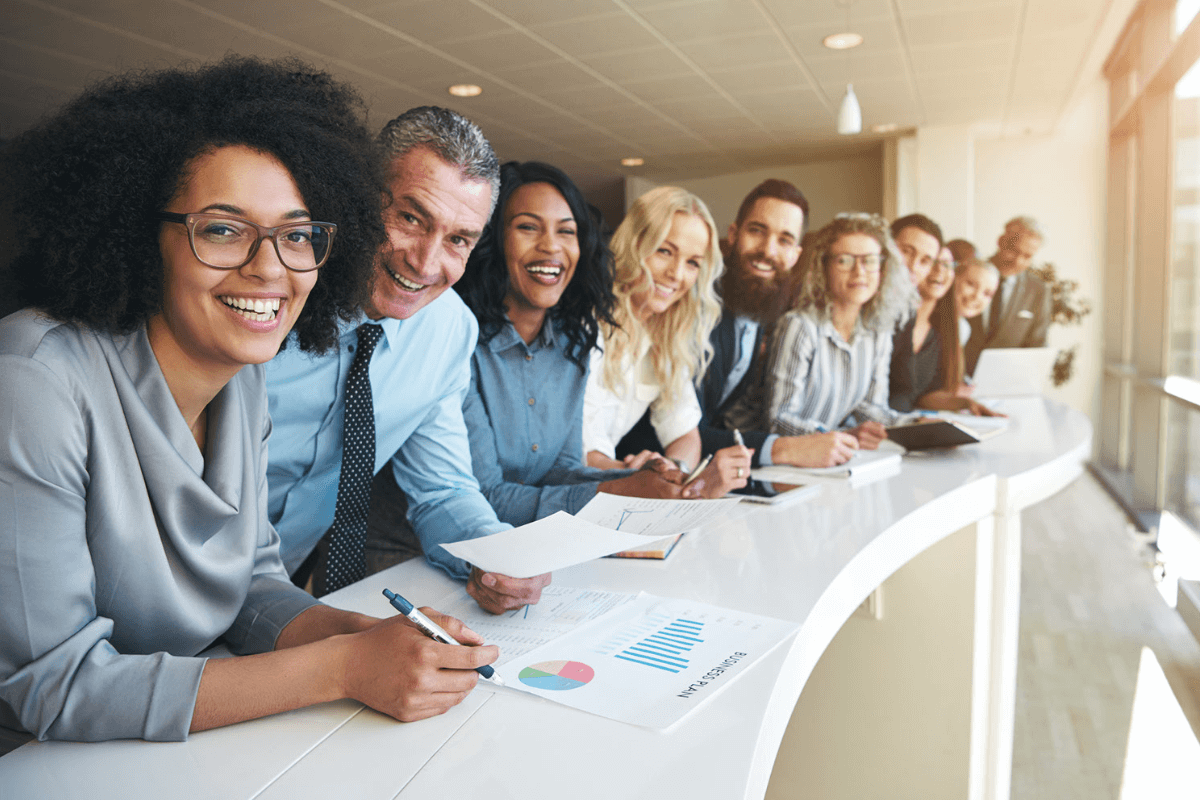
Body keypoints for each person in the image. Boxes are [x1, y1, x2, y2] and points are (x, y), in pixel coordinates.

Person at [0, 58, 496, 755]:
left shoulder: (238, 377)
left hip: (167, 744)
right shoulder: (33, 379)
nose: (269, 269)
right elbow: (49, 685)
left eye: (295, 235)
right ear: (144, 232)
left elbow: (252, 581)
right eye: (224, 229)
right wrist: (341, 667)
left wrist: (357, 636)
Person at [266, 107, 548, 613]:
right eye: (412, 218)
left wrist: (494, 553)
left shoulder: (448, 330)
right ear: (360, 198)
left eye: (458, 239)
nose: (425, 262)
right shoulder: (269, 295)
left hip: (275, 595)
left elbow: (441, 491)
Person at [454, 161, 697, 526]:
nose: (551, 245)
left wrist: (650, 480)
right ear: (494, 238)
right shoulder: (462, 344)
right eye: (527, 227)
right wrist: (613, 492)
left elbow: (562, 469)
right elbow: (485, 495)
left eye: (566, 232)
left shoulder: (573, 344)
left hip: (527, 545)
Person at [582, 186, 750, 495]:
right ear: (635, 244)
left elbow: (686, 436)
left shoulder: (665, 336)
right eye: (665, 251)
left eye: (692, 262)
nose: (676, 274)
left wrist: (676, 468)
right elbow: (579, 454)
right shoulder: (585, 324)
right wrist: (647, 473)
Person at [710, 180, 861, 468]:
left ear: (795, 255)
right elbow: (684, 431)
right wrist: (785, 449)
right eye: (757, 231)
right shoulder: (704, 310)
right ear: (733, 234)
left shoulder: (761, 311)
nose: (768, 250)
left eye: (784, 240)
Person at [763, 213, 914, 445]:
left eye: (870, 260)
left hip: (833, 456)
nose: (859, 271)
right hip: (787, 461)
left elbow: (871, 409)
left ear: (883, 269)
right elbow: (779, 420)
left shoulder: (879, 331)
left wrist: (916, 424)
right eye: (845, 260)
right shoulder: (799, 326)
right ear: (824, 267)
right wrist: (838, 436)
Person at [963, 216, 1050, 374]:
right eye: (1014, 251)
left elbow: (1036, 347)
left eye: (1027, 256)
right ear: (1001, 241)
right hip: (957, 378)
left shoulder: (1037, 290)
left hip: (1005, 381)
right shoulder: (968, 274)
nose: (1018, 261)